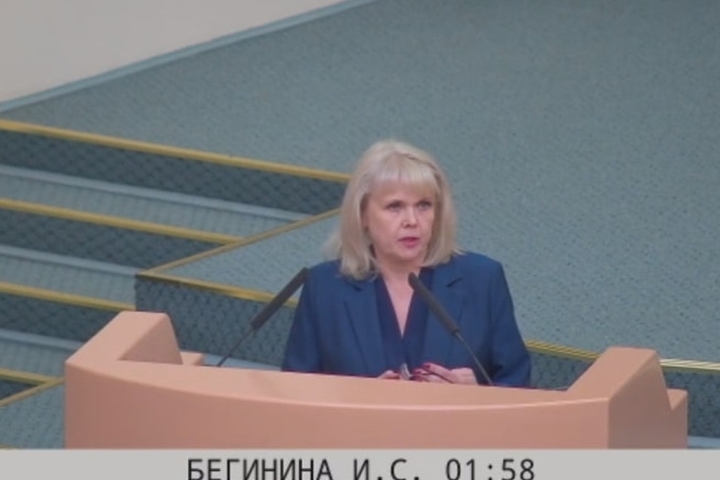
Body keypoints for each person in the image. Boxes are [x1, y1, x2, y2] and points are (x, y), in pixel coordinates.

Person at [281, 139, 531, 387]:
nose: (412, 220)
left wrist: (476, 394)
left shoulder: (482, 279)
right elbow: (295, 392)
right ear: (363, 214)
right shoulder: (325, 288)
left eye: (423, 205)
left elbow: (518, 385)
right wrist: (359, 398)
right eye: (395, 207)